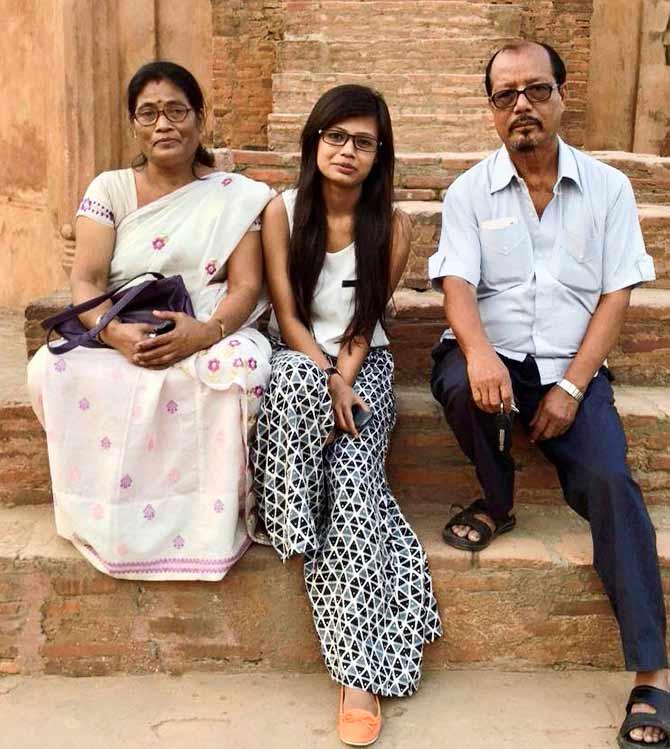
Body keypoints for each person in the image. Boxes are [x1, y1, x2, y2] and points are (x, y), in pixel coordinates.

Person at [429, 40, 668, 746]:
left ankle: (651, 673)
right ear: (492, 113)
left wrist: (571, 384)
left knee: (610, 481)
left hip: (572, 359)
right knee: (452, 380)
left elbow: (618, 290)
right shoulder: (468, 191)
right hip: (496, 349)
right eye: (505, 96)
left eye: (535, 90)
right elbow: (457, 287)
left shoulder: (608, 188)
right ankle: (498, 500)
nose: (521, 106)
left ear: (563, 96)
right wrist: (477, 354)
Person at [27, 61, 274, 581]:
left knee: (241, 370)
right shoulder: (110, 188)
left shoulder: (238, 196)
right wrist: (115, 335)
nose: (164, 124)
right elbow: (88, 282)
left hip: (206, 325)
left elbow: (247, 287)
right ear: (134, 126)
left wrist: (204, 334)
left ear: (200, 118)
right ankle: (111, 520)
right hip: (120, 327)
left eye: (176, 111)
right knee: (53, 370)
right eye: (149, 113)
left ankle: (203, 527)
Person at [252, 84, 442, 746]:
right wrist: (329, 378)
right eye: (336, 137)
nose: (348, 151)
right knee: (302, 376)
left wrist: (347, 378)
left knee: (357, 488)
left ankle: (357, 675)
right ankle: (294, 509)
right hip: (303, 370)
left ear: (380, 153)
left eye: (363, 141)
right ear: (314, 142)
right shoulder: (280, 211)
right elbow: (287, 313)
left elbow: (363, 325)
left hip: (368, 371)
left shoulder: (392, 225)